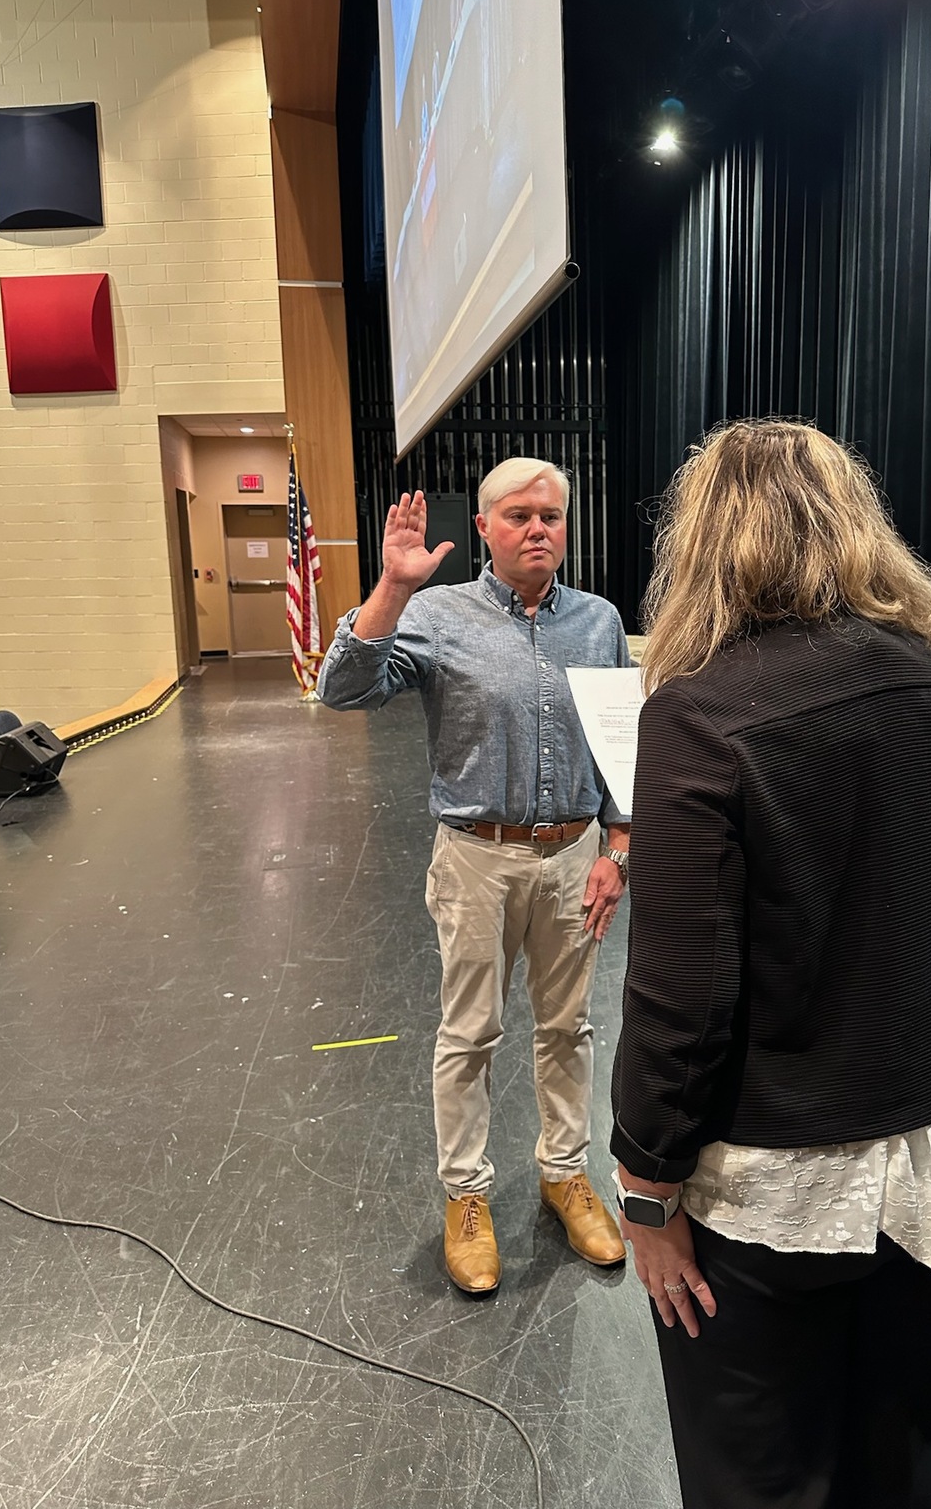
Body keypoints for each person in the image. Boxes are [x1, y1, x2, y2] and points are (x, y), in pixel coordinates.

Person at [610, 421, 931, 1509]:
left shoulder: (699, 716)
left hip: (792, 1197)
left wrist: (648, 1191)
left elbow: (682, 1001)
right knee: (912, 1454)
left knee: (763, 1479)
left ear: (704, 543)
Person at [316, 460, 631, 1294]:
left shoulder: (599, 622)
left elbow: (619, 749)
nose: (540, 530)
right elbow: (341, 690)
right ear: (486, 528)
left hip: (573, 858)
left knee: (570, 1028)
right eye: (521, 516)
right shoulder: (435, 613)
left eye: (553, 516)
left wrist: (618, 849)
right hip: (475, 859)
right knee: (470, 1035)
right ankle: (467, 1197)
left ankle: (566, 1173)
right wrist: (389, 585)